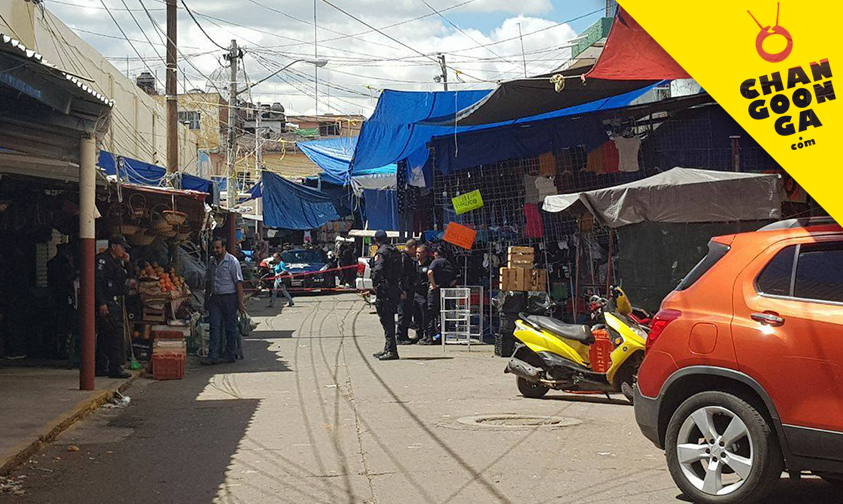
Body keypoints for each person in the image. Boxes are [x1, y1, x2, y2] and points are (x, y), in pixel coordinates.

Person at [203, 238, 246, 365]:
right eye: (214, 248)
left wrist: (240, 302)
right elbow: (209, 282)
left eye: (218, 248)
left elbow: (238, 283)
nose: (215, 250)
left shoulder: (232, 261)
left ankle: (230, 354)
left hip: (229, 298)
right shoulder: (211, 262)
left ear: (223, 247)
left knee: (230, 327)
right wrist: (206, 300)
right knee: (214, 326)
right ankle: (213, 355)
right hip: (215, 299)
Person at [94, 235, 133, 378]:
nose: (123, 250)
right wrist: (102, 303)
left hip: (115, 300)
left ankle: (100, 367)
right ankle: (115, 368)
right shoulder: (102, 260)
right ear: (114, 246)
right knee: (115, 335)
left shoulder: (117, 262)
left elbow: (129, 277)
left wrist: (127, 263)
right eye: (122, 247)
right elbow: (97, 283)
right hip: (107, 302)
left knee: (105, 336)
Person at [371, 230, 402, 361]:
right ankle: (388, 347)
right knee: (389, 318)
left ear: (376, 241)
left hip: (385, 289)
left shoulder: (381, 253)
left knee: (386, 319)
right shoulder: (395, 251)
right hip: (394, 287)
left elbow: (378, 270)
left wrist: (375, 284)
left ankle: (391, 350)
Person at [421, 245, 455, 345]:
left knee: (431, 314)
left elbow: (430, 272)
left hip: (435, 291)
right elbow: (454, 279)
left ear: (436, 253)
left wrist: (434, 285)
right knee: (443, 314)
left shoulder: (436, 261)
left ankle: (429, 338)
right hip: (446, 292)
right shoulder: (448, 263)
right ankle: (441, 337)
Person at [396, 239, 419, 345]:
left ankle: (404, 335)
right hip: (404, 290)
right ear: (413, 247)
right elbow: (401, 275)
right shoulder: (403, 257)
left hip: (408, 289)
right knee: (403, 313)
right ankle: (400, 336)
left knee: (407, 313)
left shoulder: (406, 257)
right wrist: (402, 290)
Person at [412, 244, 432, 343]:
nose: (417, 254)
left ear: (425, 253)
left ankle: (427, 335)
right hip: (415, 293)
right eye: (416, 252)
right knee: (416, 315)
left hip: (425, 294)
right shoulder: (414, 264)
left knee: (425, 315)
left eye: (419, 252)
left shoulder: (429, 264)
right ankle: (418, 334)